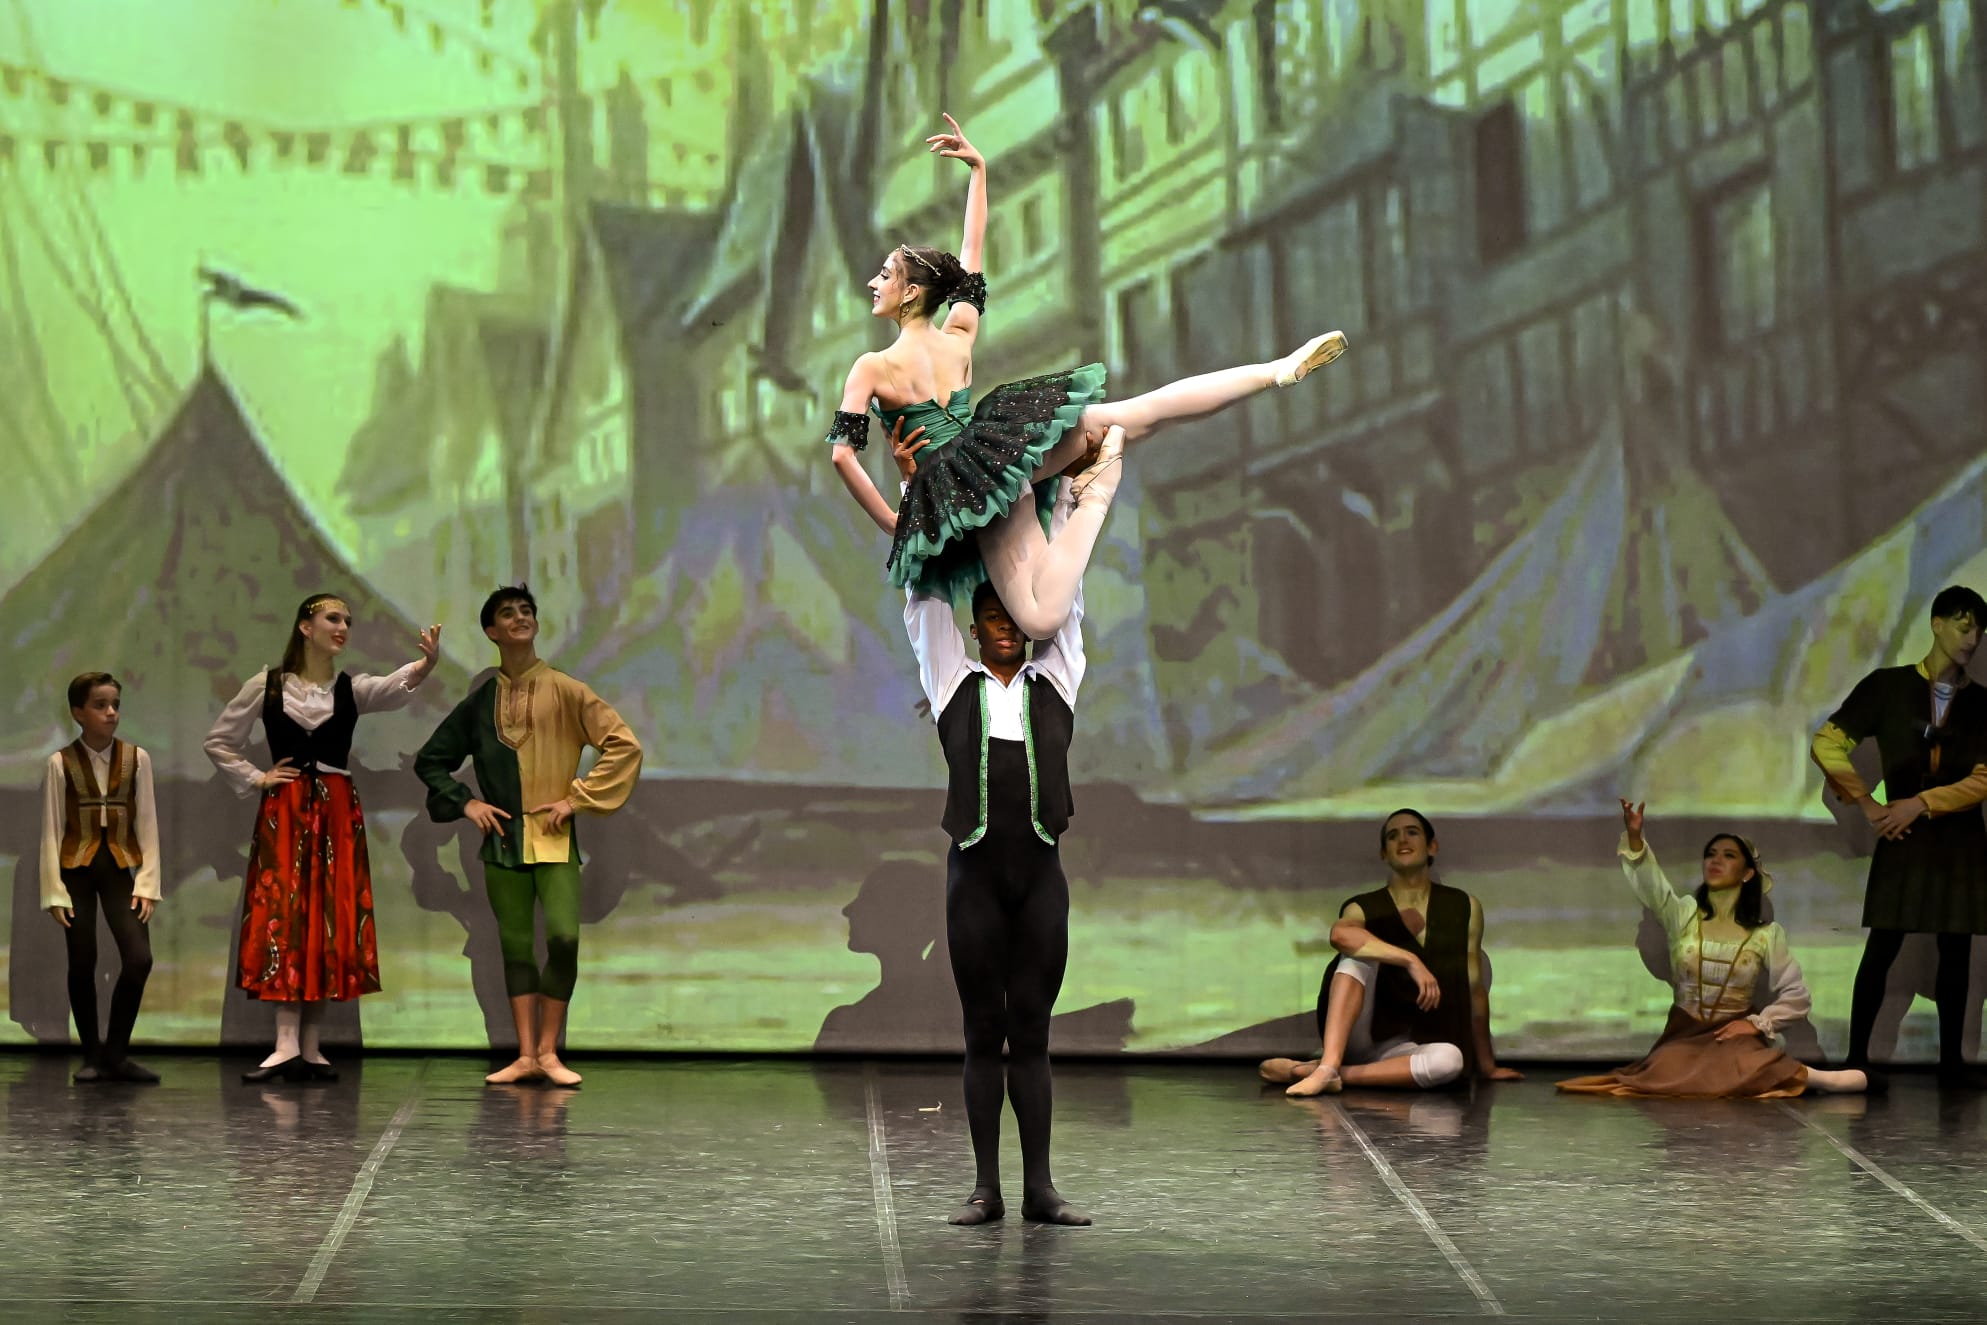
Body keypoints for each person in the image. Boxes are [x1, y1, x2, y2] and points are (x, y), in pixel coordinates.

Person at [828, 113, 1346, 638]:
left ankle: (1095, 495)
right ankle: (1275, 371)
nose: (874, 283)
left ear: (911, 292)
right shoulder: (958, 335)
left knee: (1039, 621)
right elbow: (972, 254)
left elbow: (842, 455)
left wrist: (895, 521)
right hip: (1002, 455)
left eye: (885, 275)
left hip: (966, 489)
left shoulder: (872, 367)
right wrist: (979, 174)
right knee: (1144, 412)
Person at [900, 432, 1116, 1227]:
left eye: (1011, 614)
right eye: (989, 613)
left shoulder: (1055, 679)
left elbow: (1063, 589)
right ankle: (985, 1187)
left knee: (1031, 1031)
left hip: (1039, 882)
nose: (1003, 624)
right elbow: (921, 601)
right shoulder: (951, 682)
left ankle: (1039, 1188)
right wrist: (916, 486)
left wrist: (1061, 502)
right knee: (981, 1030)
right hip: (975, 882)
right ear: (974, 622)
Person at [205, 593, 439, 1083]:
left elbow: (392, 688)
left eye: (347, 620)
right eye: (333, 618)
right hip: (287, 812)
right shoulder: (267, 686)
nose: (342, 627)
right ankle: (285, 1043)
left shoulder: (350, 689)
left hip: (335, 812)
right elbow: (220, 740)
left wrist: (425, 664)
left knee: (329, 916)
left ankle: (309, 1045)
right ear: (305, 626)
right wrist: (257, 777)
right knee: (285, 915)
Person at [414, 585, 643, 1087]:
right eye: (507, 613)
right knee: (515, 946)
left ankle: (548, 1051)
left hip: (556, 840)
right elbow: (431, 761)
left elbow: (623, 745)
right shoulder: (481, 703)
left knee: (562, 938)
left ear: (535, 624)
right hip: (502, 842)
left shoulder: (567, 690)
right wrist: (467, 803)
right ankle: (525, 1055)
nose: (519, 617)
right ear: (491, 631)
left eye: (526, 611)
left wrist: (576, 799)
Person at [1559, 800, 1869, 1098]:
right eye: (1710, 854)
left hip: (1732, 1038)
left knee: (1747, 1064)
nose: (1715, 861)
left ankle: (1823, 1079)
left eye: (1728, 855)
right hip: (1685, 1035)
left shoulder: (1765, 934)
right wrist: (1636, 839)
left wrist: (1755, 1024)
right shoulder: (1684, 914)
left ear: (1747, 873)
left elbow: (1796, 995)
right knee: (1667, 1070)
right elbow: (1653, 888)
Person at [1811, 584, 1987, 1082]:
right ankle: (1857, 1060)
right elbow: (1827, 742)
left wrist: (1921, 803)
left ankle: (1952, 1063)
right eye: (1963, 625)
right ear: (1936, 624)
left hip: (1958, 840)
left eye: (1979, 629)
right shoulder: (1888, 686)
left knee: (1956, 950)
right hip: (1901, 838)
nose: (1972, 637)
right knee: (1883, 945)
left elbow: (1984, 777)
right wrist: (1867, 803)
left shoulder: (1982, 703)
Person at [1261, 810, 1523, 1096]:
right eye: (1392, 835)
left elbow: (1474, 991)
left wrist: (1487, 1067)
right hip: (1364, 1034)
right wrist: (1410, 960)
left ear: (1432, 846)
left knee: (1450, 1060)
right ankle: (1329, 1065)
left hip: (1410, 1047)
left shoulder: (1464, 905)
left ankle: (1328, 1073)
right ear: (1384, 853)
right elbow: (1340, 935)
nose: (1403, 840)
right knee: (1356, 954)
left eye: (1412, 832)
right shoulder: (1363, 906)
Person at [40, 672, 162, 1084]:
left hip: (118, 868)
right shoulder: (60, 763)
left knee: (139, 958)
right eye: (100, 705)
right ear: (78, 712)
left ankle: (116, 1054)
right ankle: (92, 1054)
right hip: (75, 870)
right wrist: (54, 891)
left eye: (115, 705)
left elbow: (148, 823)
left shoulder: (136, 758)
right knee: (82, 960)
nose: (111, 713)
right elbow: (51, 830)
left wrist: (148, 882)